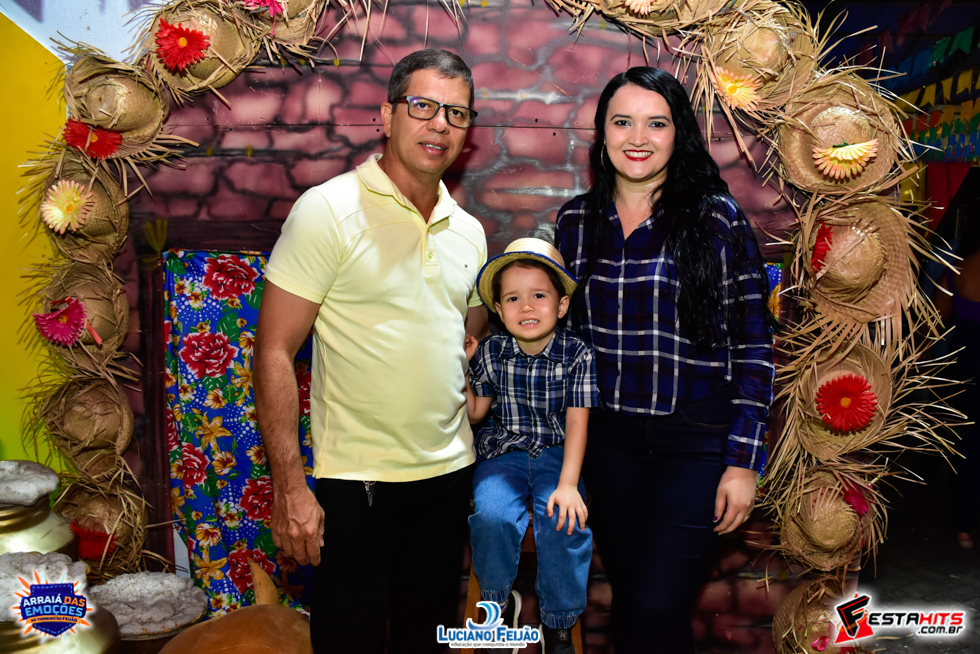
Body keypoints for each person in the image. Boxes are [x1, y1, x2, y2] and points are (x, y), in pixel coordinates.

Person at [253, 49, 488, 654]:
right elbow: (274, 350)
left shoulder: (469, 232)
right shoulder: (327, 211)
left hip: (447, 479)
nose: (440, 124)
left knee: (424, 642)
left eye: (456, 113)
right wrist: (290, 487)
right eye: (423, 106)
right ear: (386, 116)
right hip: (356, 484)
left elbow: (464, 335)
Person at [554, 67, 776, 653]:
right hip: (608, 444)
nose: (638, 138)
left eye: (656, 123)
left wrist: (743, 462)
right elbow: (564, 342)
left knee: (657, 604)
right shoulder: (574, 223)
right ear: (602, 132)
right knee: (634, 606)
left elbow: (754, 343)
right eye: (622, 122)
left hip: (695, 441)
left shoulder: (716, 218)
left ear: (679, 134)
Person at [463, 238, 596, 654]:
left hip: (559, 456)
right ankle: (497, 607)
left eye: (539, 295)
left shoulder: (576, 354)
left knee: (563, 520)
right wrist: (464, 369)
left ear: (561, 305)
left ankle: (559, 625)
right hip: (504, 455)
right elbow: (476, 413)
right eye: (513, 298)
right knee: (491, 516)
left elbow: (577, 423)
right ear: (498, 310)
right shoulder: (493, 351)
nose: (526, 307)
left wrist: (568, 484)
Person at [932, 219, 980, 549]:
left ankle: (964, 528)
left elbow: (932, 323)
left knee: (965, 448)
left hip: (966, 367)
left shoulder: (956, 271)